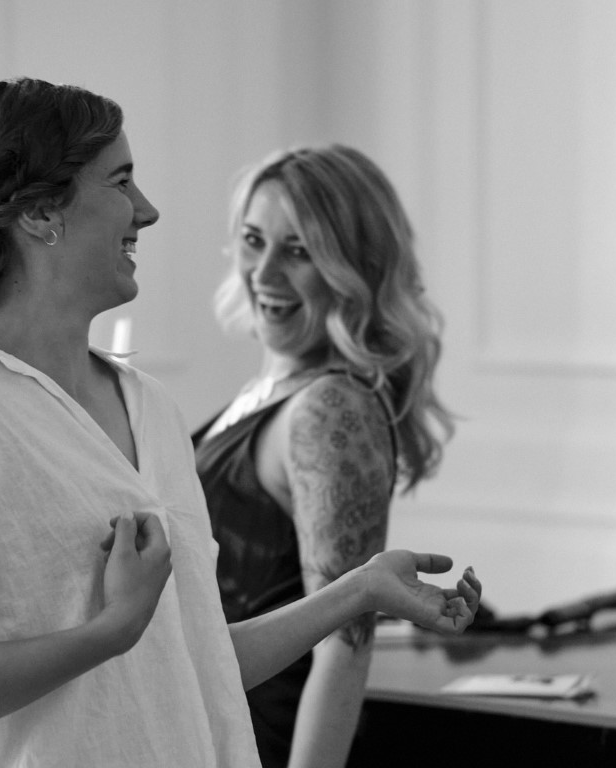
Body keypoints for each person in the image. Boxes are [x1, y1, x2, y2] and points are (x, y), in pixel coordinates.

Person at [0, 78, 481, 768]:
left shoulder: (151, 409)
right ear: (42, 213)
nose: (148, 210)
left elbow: (192, 666)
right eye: (121, 182)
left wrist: (360, 588)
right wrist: (108, 631)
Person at [193, 144, 455, 767]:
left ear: (353, 267)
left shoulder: (329, 407)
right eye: (254, 241)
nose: (264, 273)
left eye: (299, 251)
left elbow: (345, 647)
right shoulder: (270, 391)